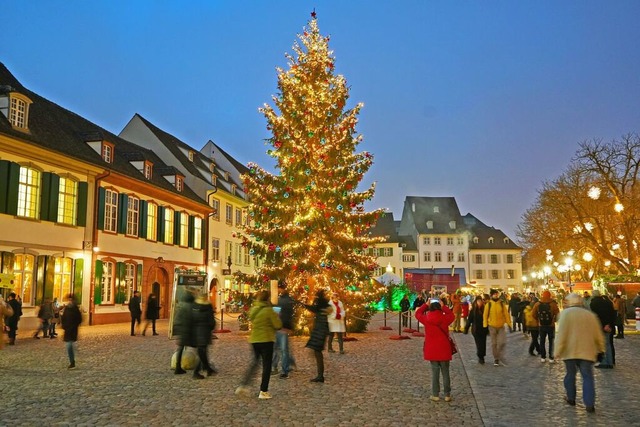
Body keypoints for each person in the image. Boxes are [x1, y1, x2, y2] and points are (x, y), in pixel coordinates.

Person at [555, 293, 605, 414]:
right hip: (587, 351)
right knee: (587, 377)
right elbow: (598, 334)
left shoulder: (565, 314)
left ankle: (571, 398)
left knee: (570, 375)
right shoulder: (590, 315)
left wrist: (557, 351)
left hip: (569, 351)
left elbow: (561, 334)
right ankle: (589, 404)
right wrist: (601, 349)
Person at [235, 290, 282, 399]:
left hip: (254, 340)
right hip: (266, 340)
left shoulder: (254, 309)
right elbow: (277, 325)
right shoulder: (268, 310)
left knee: (255, 363)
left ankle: (244, 385)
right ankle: (263, 391)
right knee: (266, 366)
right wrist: (276, 316)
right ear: (267, 299)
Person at [415, 297, 455, 402]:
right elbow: (452, 315)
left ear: (430, 308)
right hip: (444, 348)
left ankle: (435, 394)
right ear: (440, 308)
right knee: (446, 372)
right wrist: (444, 307)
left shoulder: (427, 319)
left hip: (432, 349)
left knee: (435, 372)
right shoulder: (445, 319)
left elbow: (417, 313)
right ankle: (447, 395)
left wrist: (425, 305)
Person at [304, 288, 332, 383]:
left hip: (319, 331)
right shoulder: (324, 307)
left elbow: (313, 309)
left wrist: (305, 305)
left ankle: (320, 375)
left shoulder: (320, 307)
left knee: (317, 352)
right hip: (321, 330)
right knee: (317, 352)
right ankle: (320, 375)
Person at [272, 281, 296, 379]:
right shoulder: (286, 300)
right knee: (281, 349)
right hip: (282, 327)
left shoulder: (281, 300)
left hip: (281, 328)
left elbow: (283, 315)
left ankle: (283, 369)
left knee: (281, 349)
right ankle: (285, 366)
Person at [483, 289, 511, 366]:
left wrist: (509, 324)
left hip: (501, 326)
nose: (496, 295)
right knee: (494, 343)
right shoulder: (488, 304)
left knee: (502, 342)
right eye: (494, 294)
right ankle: (496, 359)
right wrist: (485, 326)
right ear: (491, 295)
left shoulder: (501, 304)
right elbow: (485, 316)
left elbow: (506, 314)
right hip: (492, 326)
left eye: (497, 294)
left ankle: (499, 355)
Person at [191, 292, 217, 379]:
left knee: (202, 352)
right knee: (202, 352)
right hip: (205, 332)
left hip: (196, 332)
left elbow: (191, 319)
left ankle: (208, 369)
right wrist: (211, 327)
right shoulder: (208, 307)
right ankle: (197, 371)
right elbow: (211, 322)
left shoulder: (194, 306)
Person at [590, 290, 616, 369]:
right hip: (608, 326)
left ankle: (604, 362)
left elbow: (595, 316)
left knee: (602, 345)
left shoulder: (593, 303)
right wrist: (609, 324)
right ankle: (610, 362)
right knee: (608, 344)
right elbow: (613, 314)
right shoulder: (608, 302)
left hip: (600, 326)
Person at [532, 290, 560, 363]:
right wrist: (553, 320)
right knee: (551, 341)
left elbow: (533, 314)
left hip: (541, 325)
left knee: (542, 341)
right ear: (550, 295)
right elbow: (558, 314)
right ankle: (551, 357)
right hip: (551, 325)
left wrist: (538, 320)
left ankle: (543, 357)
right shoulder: (553, 304)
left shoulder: (537, 304)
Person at [173, 290, 196, 375]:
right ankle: (199, 368)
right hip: (187, 330)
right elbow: (192, 319)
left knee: (180, 348)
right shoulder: (190, 307)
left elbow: (176, 319)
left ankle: (178, 366)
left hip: (181, 330)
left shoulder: (181, 306)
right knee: (199, 348)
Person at [464, 295, 488, 364]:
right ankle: (480, 356)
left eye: (480, 301)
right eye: (478, 301)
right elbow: (469, 320)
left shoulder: (485, 309)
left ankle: (482, 356)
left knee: (483, 343)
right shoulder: (473, 310)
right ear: (476, 302)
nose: (479, 302)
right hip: (476, 330)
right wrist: (466, 328)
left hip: (484, 329)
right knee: (479, 344)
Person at [61, 293, 82, 369]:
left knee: (69, 345)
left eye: (71, 300)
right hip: (67, 330)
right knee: (69, 345)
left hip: (73, 330)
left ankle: (72, 361)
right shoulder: (67, 308)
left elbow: (79, 319)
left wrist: (74, 325)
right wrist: (64, 326)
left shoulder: (75, 309)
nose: (70, 301)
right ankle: (72, 361)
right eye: (69, 300)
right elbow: (63, 318)